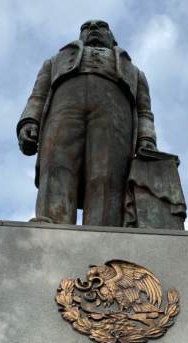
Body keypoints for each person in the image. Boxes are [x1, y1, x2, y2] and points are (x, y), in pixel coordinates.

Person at [17, 20, 157, 227]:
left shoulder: (135, 73)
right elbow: (38, 96)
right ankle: (53, 222)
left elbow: (145, 111)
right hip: (63, 110)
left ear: (112, 38)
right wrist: (29, 121)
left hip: (114, 115)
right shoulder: (54, 61)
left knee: (107, 173)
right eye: (87, 27)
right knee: (56, 162)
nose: (93, 29)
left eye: (101, 27)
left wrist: (147, 138)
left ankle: (104, 228)